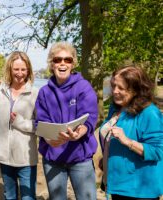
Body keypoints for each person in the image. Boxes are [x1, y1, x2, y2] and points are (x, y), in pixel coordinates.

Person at [35, 42, 98, 200]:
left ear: (73, 63)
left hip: (80, 158)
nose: (62, 63)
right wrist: (49, 140)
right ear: (52, 63)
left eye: (67, 60)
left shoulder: (84, 87)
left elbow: (90, 117)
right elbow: (40, 122)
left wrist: (80, 132)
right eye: (58, 60)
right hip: (53, 159)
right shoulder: (44, 92)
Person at [99, 66, 163, 200]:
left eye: (121, 88)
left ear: (136, 90)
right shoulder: (115, 107)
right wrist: (107, 157)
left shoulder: (150, 113)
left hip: (138, 191)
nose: (115, 91)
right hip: (115, 184)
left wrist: (127, 141)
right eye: (113, 85)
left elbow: (158, 151)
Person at [0, 51, 39, 200]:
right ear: (10, 69)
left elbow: (40, 126)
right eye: (16, 69)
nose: (19, 73)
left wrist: (20, 123)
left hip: (26, 158)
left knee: (28, 197)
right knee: (9, 196)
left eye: (23, 69)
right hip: (4, 157)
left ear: (28, 70)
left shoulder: (35, 93)